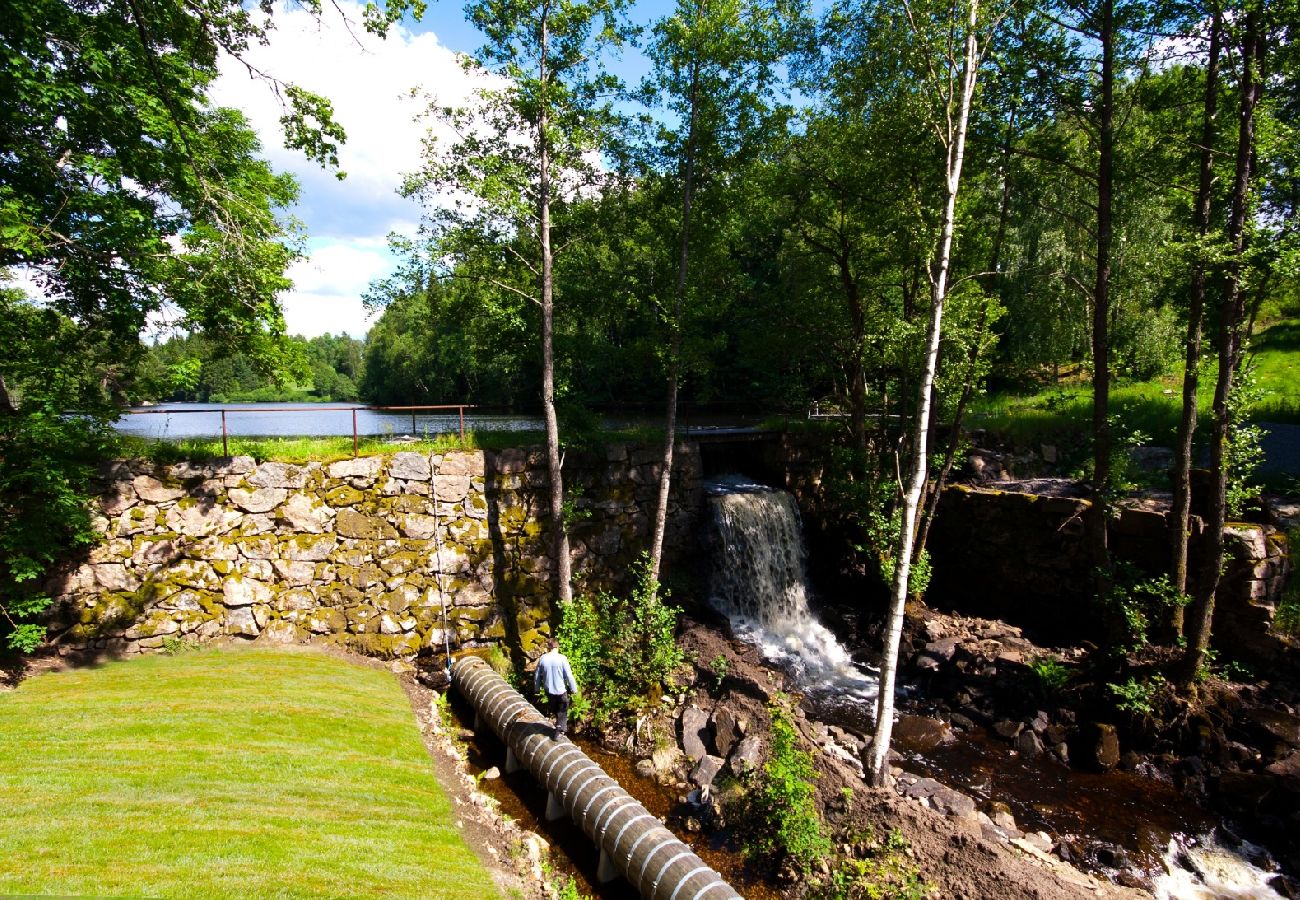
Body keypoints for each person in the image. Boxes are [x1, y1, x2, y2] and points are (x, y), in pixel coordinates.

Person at [534, 638, 578, 740]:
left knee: (555, 709)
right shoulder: (562, 658)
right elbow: (569, 676)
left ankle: (561, 728)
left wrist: (536, 688)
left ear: (549, 647)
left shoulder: (543, 658)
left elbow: (537, 675)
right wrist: (574, 689)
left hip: (549, 691)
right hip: (561, 691)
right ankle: (559, 730)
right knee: (563, 710)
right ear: (558, 647)